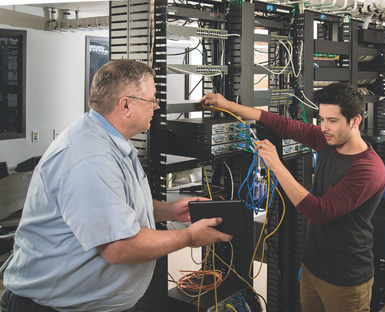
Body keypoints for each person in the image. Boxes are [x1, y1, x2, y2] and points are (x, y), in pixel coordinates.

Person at [1, 59, 232, 312]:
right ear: (125, 105)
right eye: (152, 100)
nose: (156, 107)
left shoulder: (110, 141)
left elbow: (116, 206)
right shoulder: (90, 156)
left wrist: (169, 211)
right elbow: (119, 247)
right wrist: (189, 236)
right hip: (51, 307)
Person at [200, 82, 385, 312]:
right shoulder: (326, 140)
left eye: (333, 120)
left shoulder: (368, 169)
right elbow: (282, 124)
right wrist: (228, 105)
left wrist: (276, 165)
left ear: (356, 121)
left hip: (345, 277)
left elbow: (319, 212)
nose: (324, 127)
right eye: (321, 119)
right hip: (312, 267)